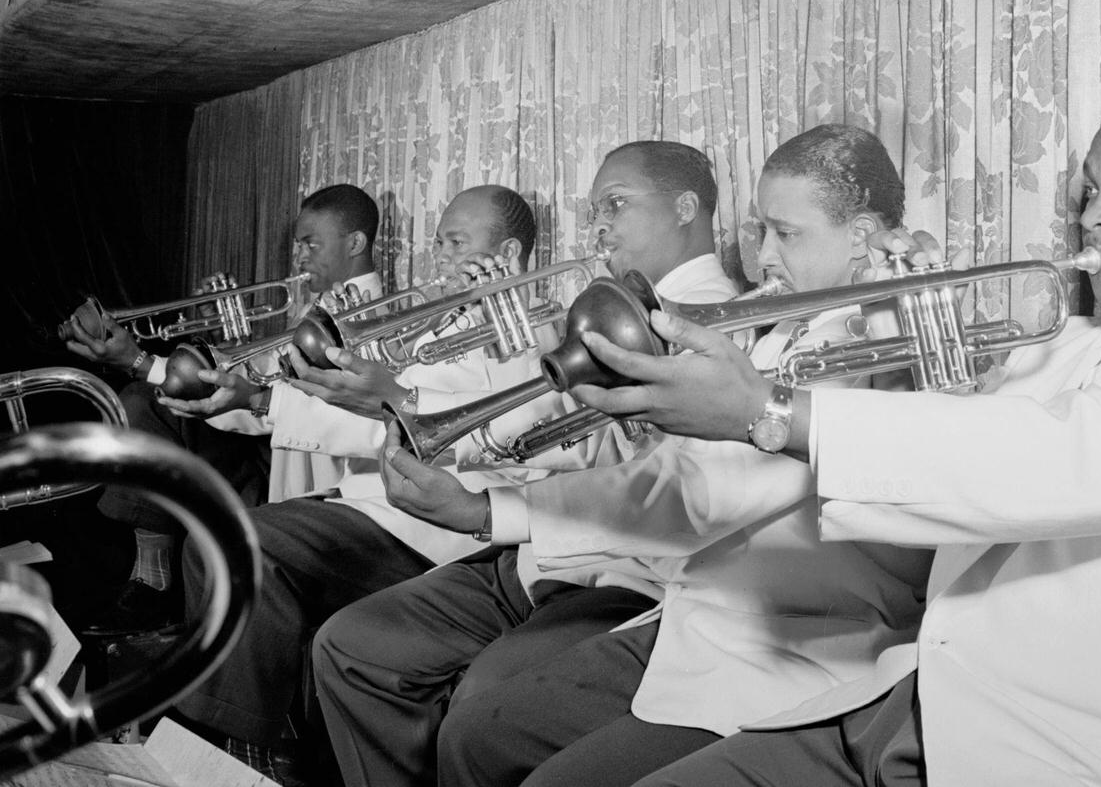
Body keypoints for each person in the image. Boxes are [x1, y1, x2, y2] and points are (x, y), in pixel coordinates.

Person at [566, 72, 1101, 787]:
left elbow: (1043, 458)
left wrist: (768, 411)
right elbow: (967, 430)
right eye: (1091, 188)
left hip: (1073, 749)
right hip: (916, 700)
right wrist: (910, 339)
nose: (1093, 214)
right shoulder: (1083, 337)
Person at [323, 127, 930, 787]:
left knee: (508, 749)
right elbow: (589, 435)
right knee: (477, 733)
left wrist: (484, 508)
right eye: (761, 230)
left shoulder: (868, 340)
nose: (763, 253)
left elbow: (701, 493)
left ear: (865, 234)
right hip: (694, 615)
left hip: (787, 647)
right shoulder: (779, 323)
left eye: (787, 233)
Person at [312, 140, 744, 787]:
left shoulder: (723, 328)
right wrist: (441, 431)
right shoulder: (612, 305)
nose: (598, 225)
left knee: (483, 716)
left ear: (686, 207)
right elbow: (547, 428)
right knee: (349, 644)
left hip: (634, 579)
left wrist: (483, 505)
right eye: (594, 208)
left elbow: (669, 495)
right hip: (540, 552)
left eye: (616, 205)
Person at [170, 184, 539, 782]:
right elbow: (365, 414)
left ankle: (242, 755)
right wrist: (263, 399)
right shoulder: (438, 325)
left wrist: (366, 398)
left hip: (435, 529)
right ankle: (248, 744)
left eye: (456, 242)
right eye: (438, 241)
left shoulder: (524, 338)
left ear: (510, 252)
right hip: (372, 505)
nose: (440, 256)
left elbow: (494, 432)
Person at [57, 183, 382, 632]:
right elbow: (259, 373)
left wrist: (142, 362)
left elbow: (267, 397)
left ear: (355, 243)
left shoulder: (368, 318)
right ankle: (151, 576)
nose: (299, 257)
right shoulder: (317, 306)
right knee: (143, 400)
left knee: (144, 398)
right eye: (297, 245)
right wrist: (149, 359)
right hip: (268, 442)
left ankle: (155, 585)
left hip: (296, 467)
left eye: (311, 243)